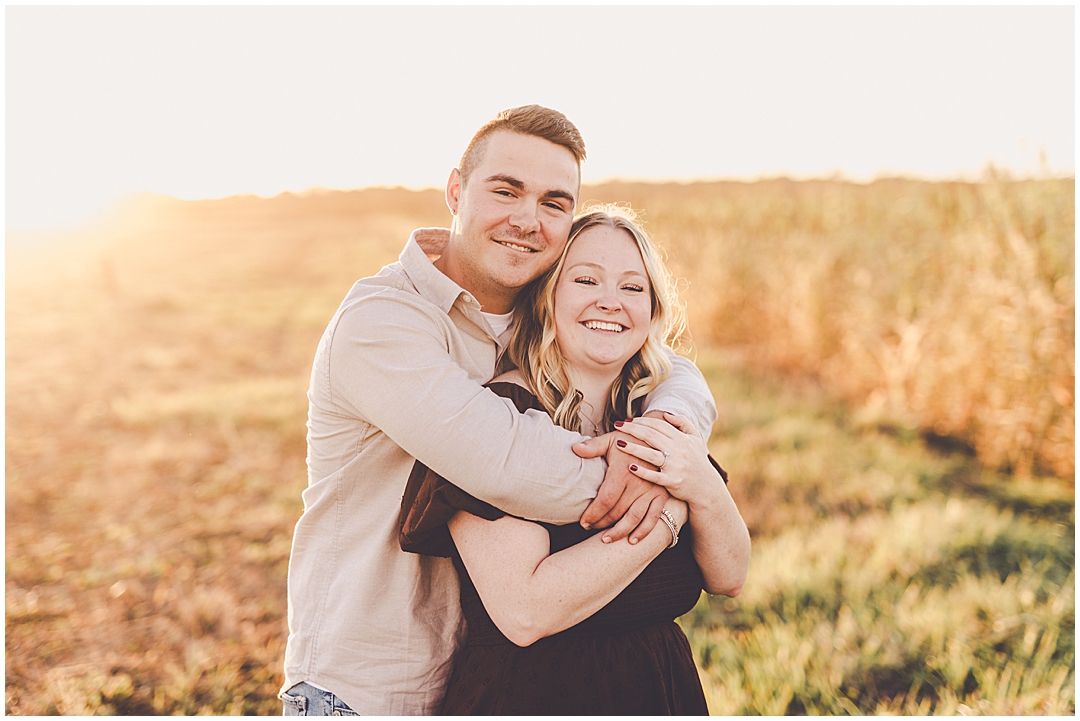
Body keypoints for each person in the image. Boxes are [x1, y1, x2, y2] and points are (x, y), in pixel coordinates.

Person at [279, 106, 718, 715]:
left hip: (482, 678)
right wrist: (669, 488)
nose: (527, 220)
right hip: (369, 686)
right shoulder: (383, 323)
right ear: (456, 190)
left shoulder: (535, 318)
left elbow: (672, 367)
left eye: (554, 202)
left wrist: (666, 433)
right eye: (505, 191)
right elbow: (506, 463)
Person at [399, 207, 751, 714]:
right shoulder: (501, 418)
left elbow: (730, 576)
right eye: (586, 279)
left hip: (661, 690)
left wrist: (700, 480)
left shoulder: (653, 415)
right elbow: (523, 610)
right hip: (534, 697)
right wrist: (672, 512)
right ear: (548, 297)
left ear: (653, 310)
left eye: (633, 288)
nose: (611, 302)